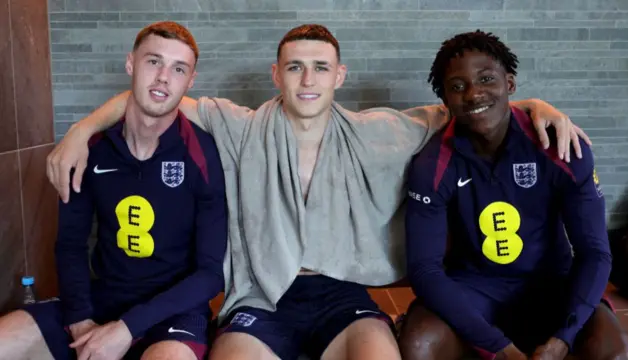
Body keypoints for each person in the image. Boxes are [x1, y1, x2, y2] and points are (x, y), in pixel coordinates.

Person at [46, 24, 590, 360]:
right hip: (261, 294)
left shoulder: (381, 130)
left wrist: (535, 107)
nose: (308, 79)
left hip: (341, 291)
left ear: (339, 76)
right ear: (276, 74)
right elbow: (156, 95)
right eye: (296, 67)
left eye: (320, 68)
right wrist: (82, 130)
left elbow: (469, 107)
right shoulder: (238, 125)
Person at [0, 21, 228, 360]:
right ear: (130, 64)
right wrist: (80, 320)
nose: (164, 76)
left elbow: (211, 275)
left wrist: (127, 328)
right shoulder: (89, 149)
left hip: (174, 313)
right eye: (153, 61)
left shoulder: (204, 154)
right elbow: (70, 245)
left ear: (190, 81)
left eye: (178, 68)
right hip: (102, 300)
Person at [398, 30, 628, 360]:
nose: (474, 93)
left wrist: (563, 338)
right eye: (458, 86)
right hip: (476, 287)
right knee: (420, 343)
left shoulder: (562, 147)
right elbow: (425, 270)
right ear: (445, 100)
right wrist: (500, 348)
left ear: (510, 83)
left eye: (486, 78)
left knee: (613, 351)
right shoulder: (433, 165)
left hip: (551, 286)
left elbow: (595, 252)